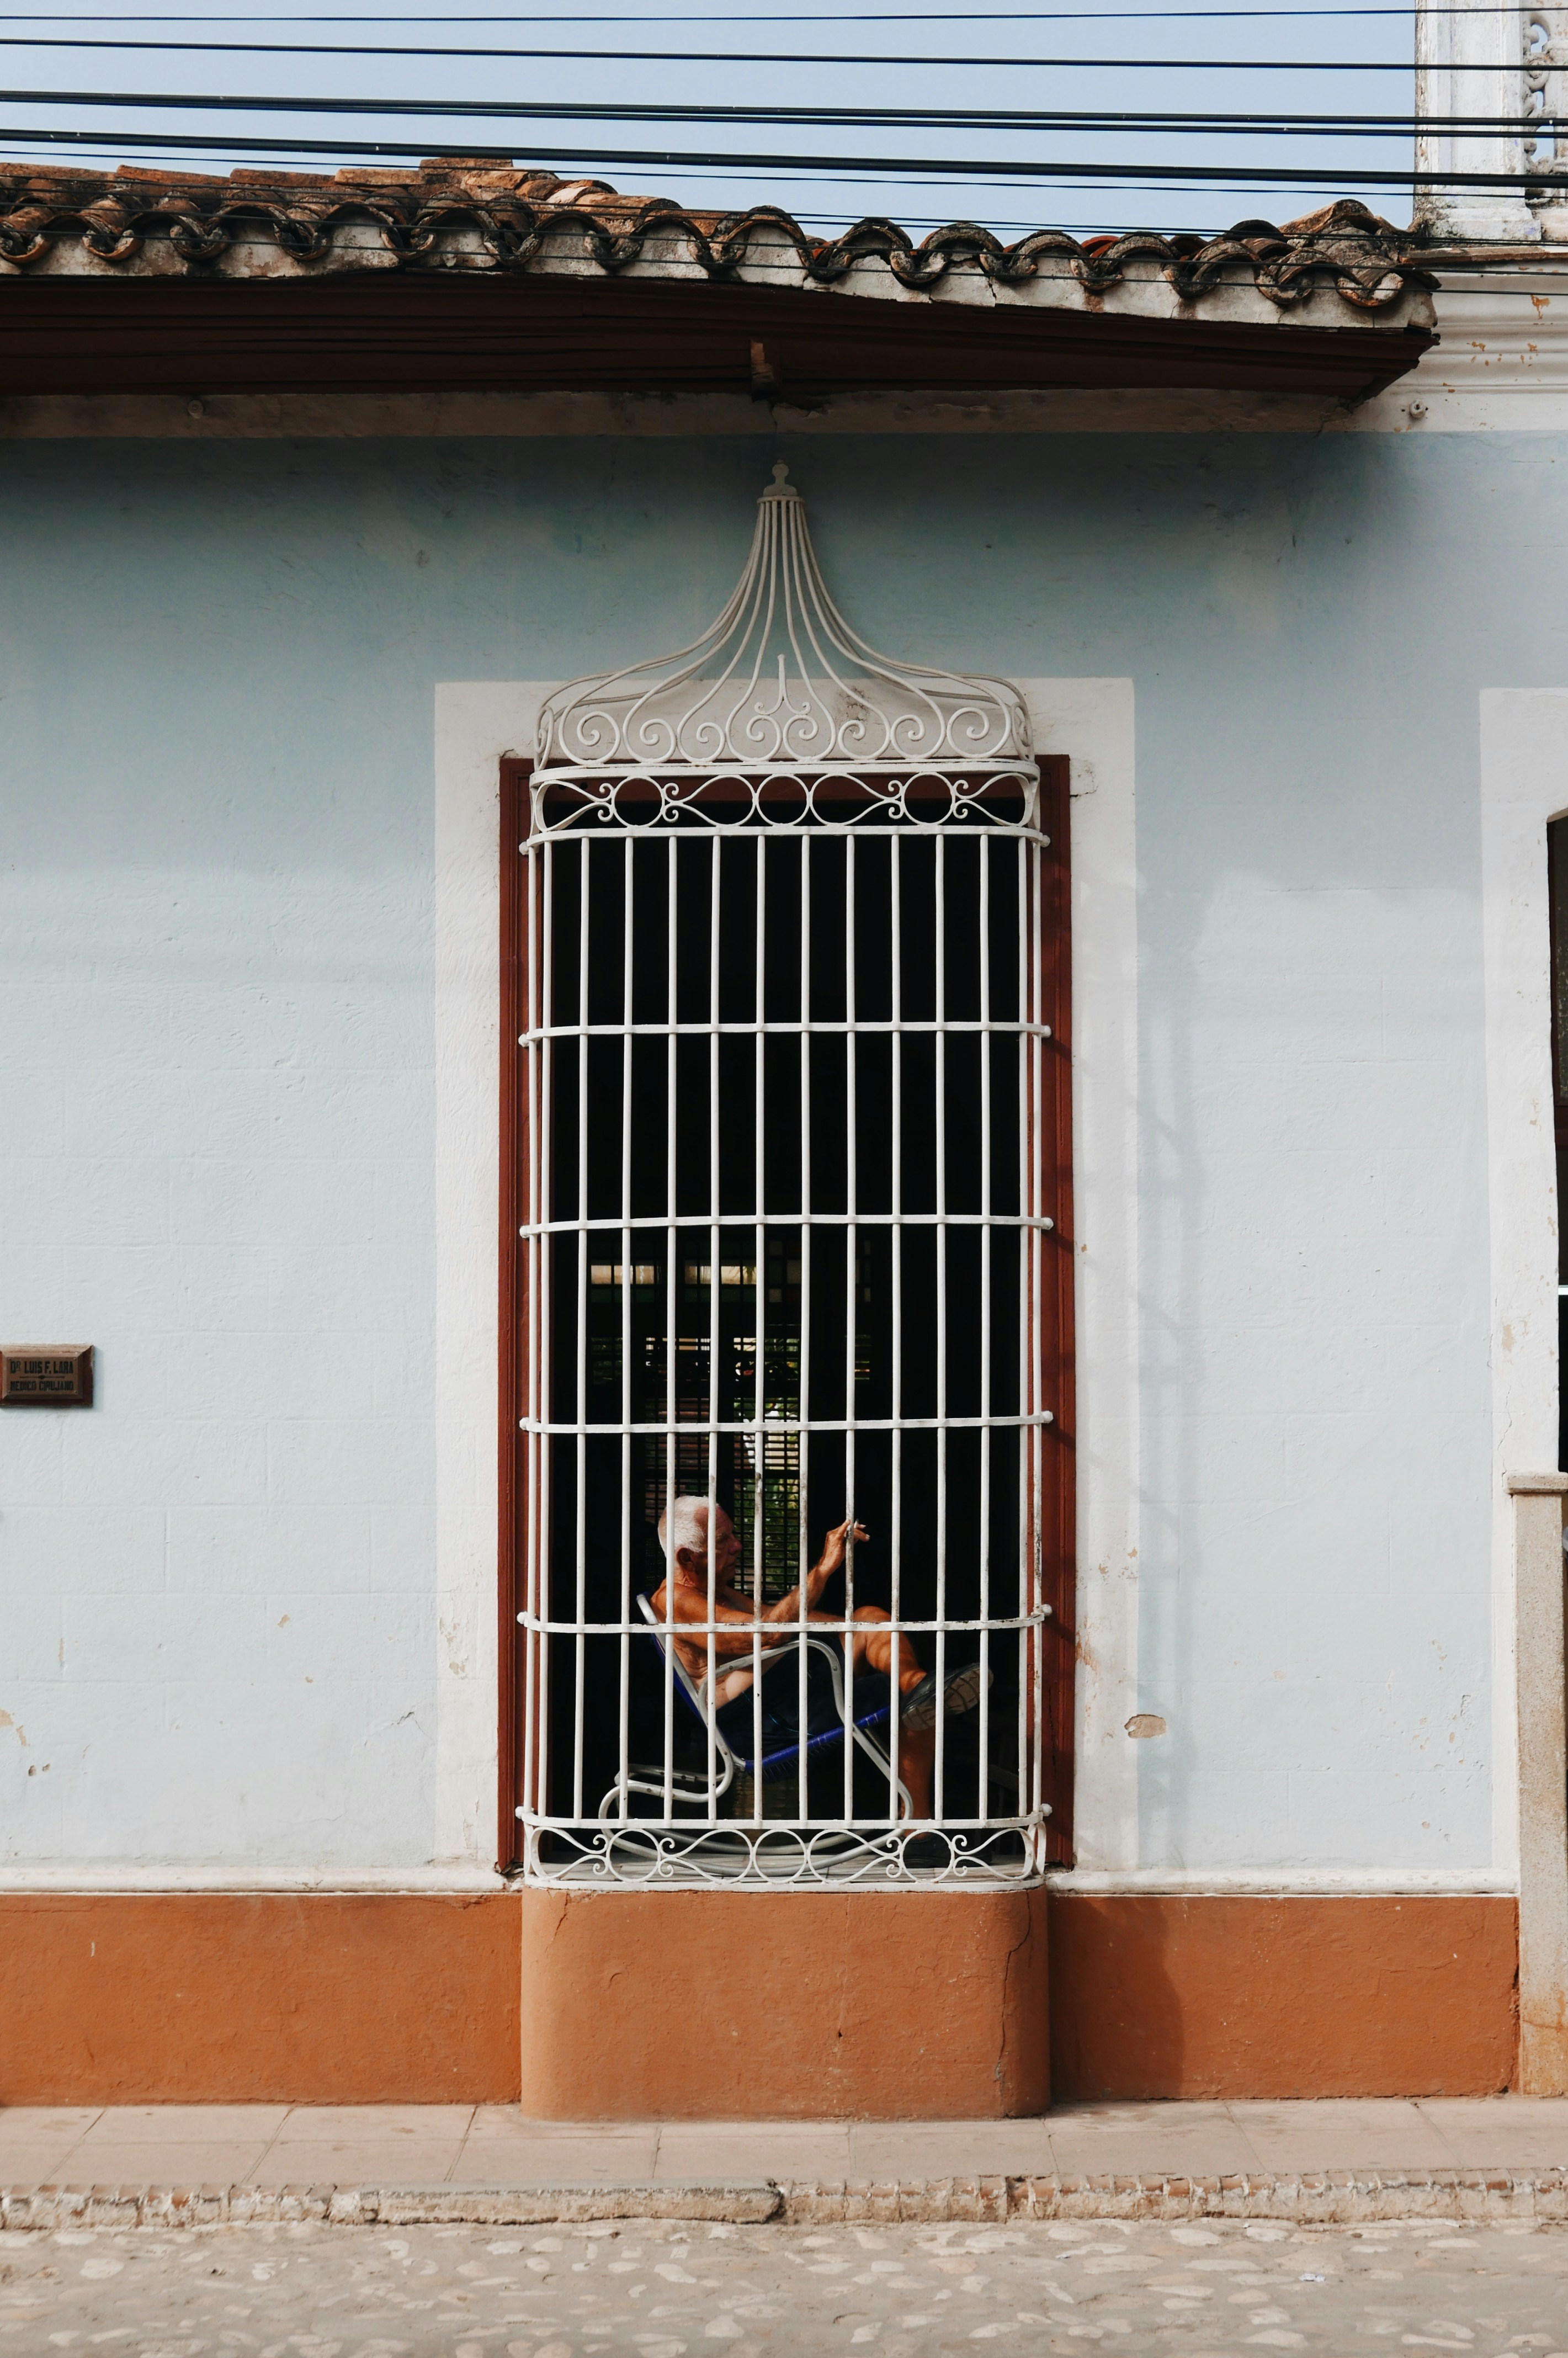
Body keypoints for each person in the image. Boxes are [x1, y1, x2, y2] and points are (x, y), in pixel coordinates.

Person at [649, 1494, 986, 1823]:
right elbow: (767, 1633)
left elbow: (779, 1619)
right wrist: (824, 1569)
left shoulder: (712, 1591)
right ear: (686, 1558)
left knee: (871, 1621)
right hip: (758, 1725)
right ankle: (919, 1831)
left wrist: (865, 1628)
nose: (737, 1546)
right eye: (724, 1540)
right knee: (910, 1698)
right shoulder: (677, 1601)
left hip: (778, 1698)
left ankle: (918, 1684)